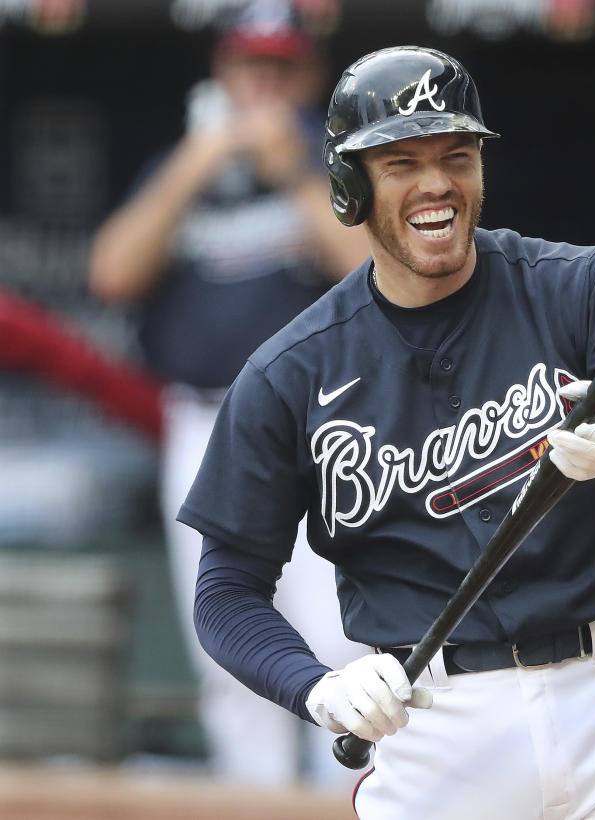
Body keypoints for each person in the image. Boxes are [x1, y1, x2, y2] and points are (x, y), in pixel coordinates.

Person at [178, 45, 595, 818]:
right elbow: (225, 593)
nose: (435, 182)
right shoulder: (290, 372)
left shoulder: (579, 288)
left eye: (456, 155)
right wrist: (318, 687)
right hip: (437, 727)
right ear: (348, 185)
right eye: (400, 161)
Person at [87, 0, 370, 785]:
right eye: (251, 64)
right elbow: (111, 272)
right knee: (229, 646)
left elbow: (372, 269)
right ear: (223, 68)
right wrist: (199, 159)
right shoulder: (186, 165)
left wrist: (293, 171)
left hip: (325, 429)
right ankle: (253, 803)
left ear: (309, 74)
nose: (263, 82)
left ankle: (352, 803)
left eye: (280, 66)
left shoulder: (338, 157)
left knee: (341, 645)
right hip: (207, 426)